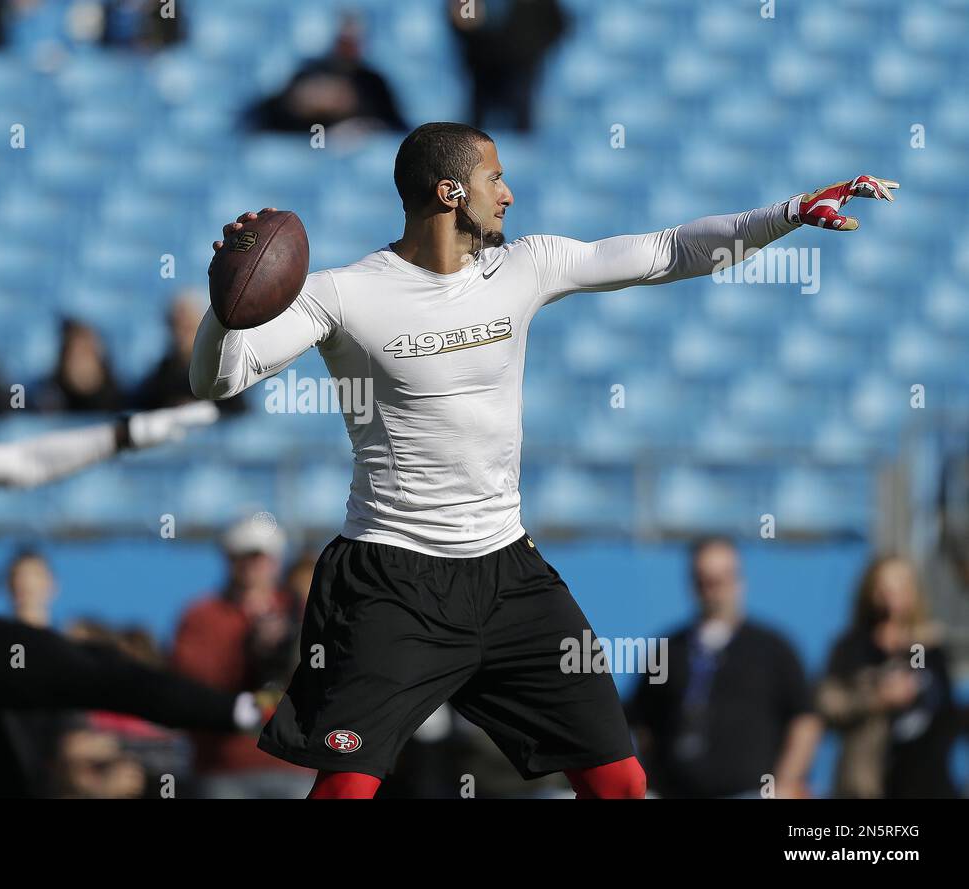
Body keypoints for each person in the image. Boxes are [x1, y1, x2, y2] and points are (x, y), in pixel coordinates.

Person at [191, 121, 894, 798]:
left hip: (508, 575)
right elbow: (217, 381)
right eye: (495, 176)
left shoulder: (525, 264)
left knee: (622, 781)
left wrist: (790, 211)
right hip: (389, 579)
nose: (509, 193)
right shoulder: (343, 291)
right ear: (449, 193)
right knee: (347, 785)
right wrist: (224, 313)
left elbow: (668, 250)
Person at [0, 322, 267, 798]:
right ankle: (241, 712)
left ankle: (239, 713)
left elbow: (27, 462)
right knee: (92, 668)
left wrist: (128, 432)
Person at [629, 537, 820, 798]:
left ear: (739, 581)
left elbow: (805, 720)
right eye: (704, 580)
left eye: (722, 579)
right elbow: (642, 723)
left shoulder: (773, 648)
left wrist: (785, 783)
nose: (713, 589)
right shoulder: (668, 649)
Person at [171, 515, 312, 799]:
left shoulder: (302, 610)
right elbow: (190, 682)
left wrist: (286, 651)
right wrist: (247, 649)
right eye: (243, 556)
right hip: (224, 765)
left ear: (276, 560)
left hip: (294, 763)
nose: (253, 565)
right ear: (228, 559)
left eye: (260, 556)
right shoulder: (202, 616)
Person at [818, 556, 960, 799]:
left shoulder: (930, 647)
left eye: (901, 586)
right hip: (868, 782)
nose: (892, 596)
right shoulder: (853, 647)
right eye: (885, 587)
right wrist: (878, 697)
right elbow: (827, 704)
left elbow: (945, 709)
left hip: (926, 783)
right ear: (871, 592)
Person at [249, 13, 406, 136]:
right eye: (343, 40)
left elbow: (395, 126)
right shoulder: (308, 73)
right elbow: (264, 117)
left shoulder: (372, 81)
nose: (348, 47)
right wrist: (301, 105)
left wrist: (363, 126)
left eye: (353, 41)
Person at [449, 0, 567, 134]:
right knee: (476, 130)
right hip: (483, 67)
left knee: (522, 123)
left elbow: (556, 24)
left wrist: (534, 49)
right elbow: (459, 19)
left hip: (521, 67)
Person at [133, 292, 246, 415]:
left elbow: (238, 413)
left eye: (187, 327)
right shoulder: (161, 378)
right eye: (175, 326)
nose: (180, 335)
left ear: (203, 327)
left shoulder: (222, 373)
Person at [35, 318, 124, 414]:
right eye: (74, 354)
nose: (81, 363)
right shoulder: (48, 397)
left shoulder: (120, 399)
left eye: (85, 352)